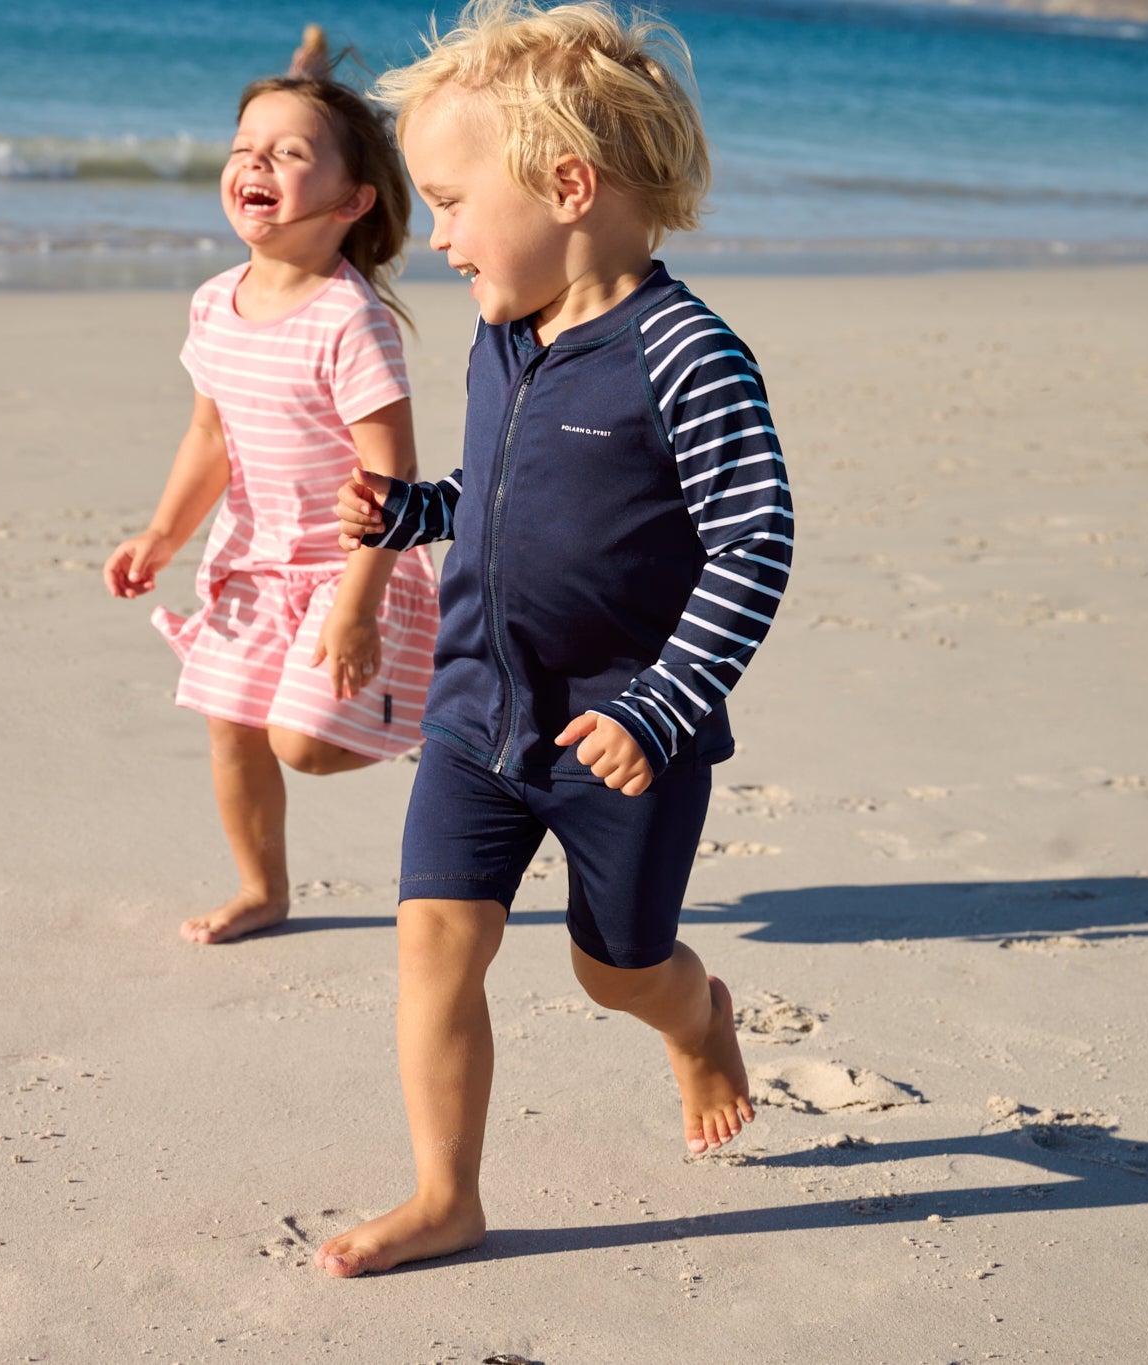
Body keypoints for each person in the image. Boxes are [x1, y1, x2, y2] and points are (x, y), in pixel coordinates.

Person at [315, 0, 794, 1276]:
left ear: (567, 188)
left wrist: (658, 708)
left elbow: (754, 544)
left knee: (614, 971)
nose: (437, 236)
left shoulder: (686, 356)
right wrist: (414, 514)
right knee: (434, 940)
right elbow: (504, 499)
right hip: (478, 711)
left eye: (450, 202)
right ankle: (447, 1195)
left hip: (621, 741)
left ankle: (694, 1020)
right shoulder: (502, 332)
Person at [104, 28, 440, 946]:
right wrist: (163, 533)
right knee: (231, 724)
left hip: (348, 569)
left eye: (288, 154)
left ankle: (443, 711)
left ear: (351, 201)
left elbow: (394, 476)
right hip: (252, 565)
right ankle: (263, 889)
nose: (255, 163)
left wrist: (359, 607)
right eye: (243, 148)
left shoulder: (350, 320)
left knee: (305, 744)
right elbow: (210, 435)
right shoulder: (215, 303)